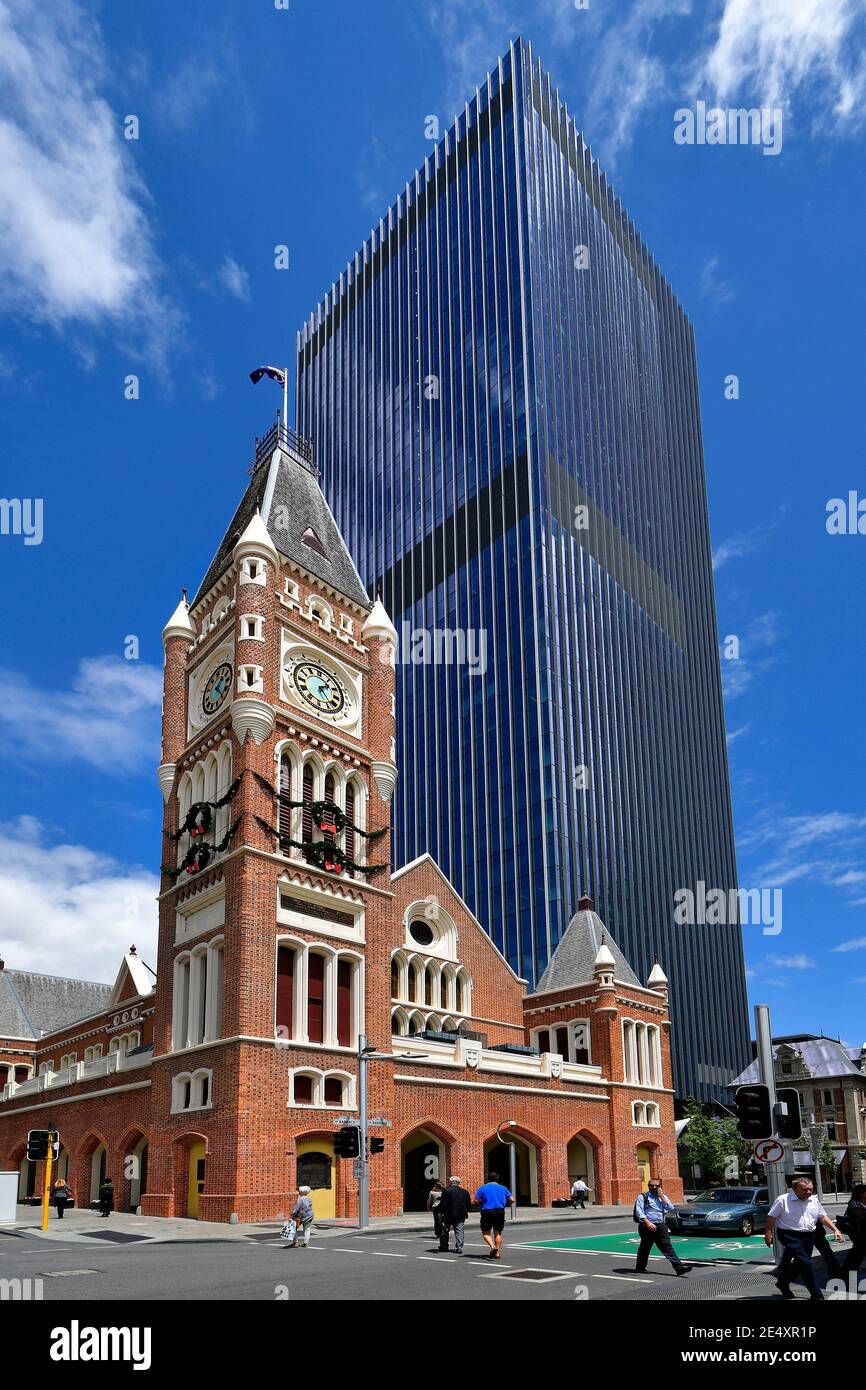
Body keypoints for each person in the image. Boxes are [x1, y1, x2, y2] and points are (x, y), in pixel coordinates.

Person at [764, 1177, 844, 1300]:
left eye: (810, 1189)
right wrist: (768, 1233)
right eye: (804, 1189)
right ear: (794, 1189)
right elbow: (771, 1217)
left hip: (808, 1236)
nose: (808, 1192)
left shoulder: (814, 1200)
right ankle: (816, 1295)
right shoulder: (783, 1200)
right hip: (789, 1235)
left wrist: (835, 1230)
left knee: (800, 1264)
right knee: (806, 1263)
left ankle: (783, 1282)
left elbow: (822, 1217)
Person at [633, 1179, 693, 1277]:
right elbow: (639, 1212)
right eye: (652, 1186)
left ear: (660, 1186)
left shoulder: (662, 1197)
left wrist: (661, 1196)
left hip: (661, 1226)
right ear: (648, 1186)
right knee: (645, 1248)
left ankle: (679, 1268)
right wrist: (647, 1223)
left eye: (656, 1186)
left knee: (667, 1247)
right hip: (647, 1226)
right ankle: (640, 1267)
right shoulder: (643, 1197)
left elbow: (670, 1208)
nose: (654, 1187)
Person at [473, 1172, 514, 1259]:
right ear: (497, 1178)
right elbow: (512, 1200)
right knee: (498, 1232)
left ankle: (492, 1247)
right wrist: (504, 1202)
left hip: (487, 1211)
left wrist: (481, 1202)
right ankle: (497, 1253)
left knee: (486, 1233)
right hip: (500, 1211)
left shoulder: (483, 1188)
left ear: (487, 1178)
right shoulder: (503, 1188)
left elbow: (475, 1201)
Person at [438, 1175, 472, 1254]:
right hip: (460, 1214)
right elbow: (468, 1204)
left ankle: (444, 1246)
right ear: (459, 1183)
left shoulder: (446, 1191)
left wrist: (440, 1213)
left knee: (445, 1230)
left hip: (448, 1214)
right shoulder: (465, 1192)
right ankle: (459, 1247)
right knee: (459, 1231)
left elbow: (443, 1204)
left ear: (450, 1182)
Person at [840, 1183, 866, 1276]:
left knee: (857, 1253)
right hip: (858, 1233)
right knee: (857, 1254)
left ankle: (847, 1271)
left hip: (863, 1233)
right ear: (861, 1194)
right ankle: (847, 1272)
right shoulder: (854, 1203)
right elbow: (862, 1217)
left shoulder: (864, 1202)